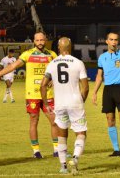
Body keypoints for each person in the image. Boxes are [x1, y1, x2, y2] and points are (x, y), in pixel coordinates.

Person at [0, 32, 59, 158]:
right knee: (33, 121)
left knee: (54, 121)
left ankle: (57, 150)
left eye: (42, 40)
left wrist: (54, 79)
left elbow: (58, 70)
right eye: (38, 40)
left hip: (48, 94)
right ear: (34, 41)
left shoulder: (52, 55)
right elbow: (13, 66)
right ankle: (36, 151)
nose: (40, 42)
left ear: (46, 40)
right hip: (32, 94)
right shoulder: (28, 54)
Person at [41, 37, 89, 175]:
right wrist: (81, 101)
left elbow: (43, 85)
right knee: (80, 132)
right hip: (75, 102)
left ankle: (63, 166)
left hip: (59, 103)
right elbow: (85, 88)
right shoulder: (78, 63)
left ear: (58, 48)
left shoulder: (52, 63)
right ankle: (75, 158)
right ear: (71, 47)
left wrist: (45, 103)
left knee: (62, 133)